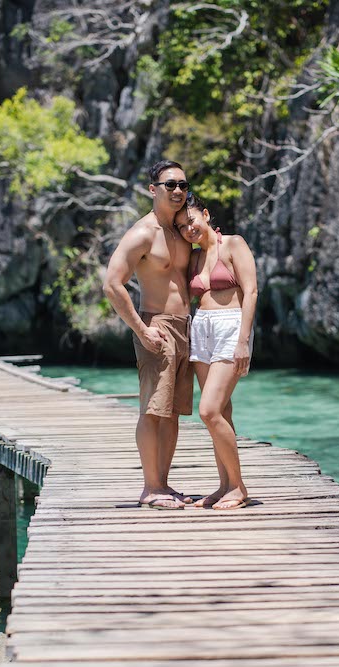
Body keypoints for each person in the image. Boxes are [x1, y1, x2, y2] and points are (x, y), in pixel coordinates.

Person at [103, 160, 194, 510]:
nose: (177, 191)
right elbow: (112, 283)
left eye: (183, 185)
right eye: (169, 184)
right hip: (155, 326)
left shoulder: (182, 230)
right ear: (152, 189)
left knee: (171, 412)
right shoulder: (144, 232)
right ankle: (150, 487)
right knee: (153, 410)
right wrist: (141, 330)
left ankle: (164, 484)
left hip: (185, 327)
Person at [174, 194, 257, 510]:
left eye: (191, 220)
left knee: (208, 410)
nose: (188, 229)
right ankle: (224, 486)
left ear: (205, 215)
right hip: (202, 329)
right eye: (181, 226)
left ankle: (238, 487)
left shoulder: (233, 244)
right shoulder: (193, 258)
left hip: (230, 326)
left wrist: (243, 340)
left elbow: (251, 291)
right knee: (221, 413)